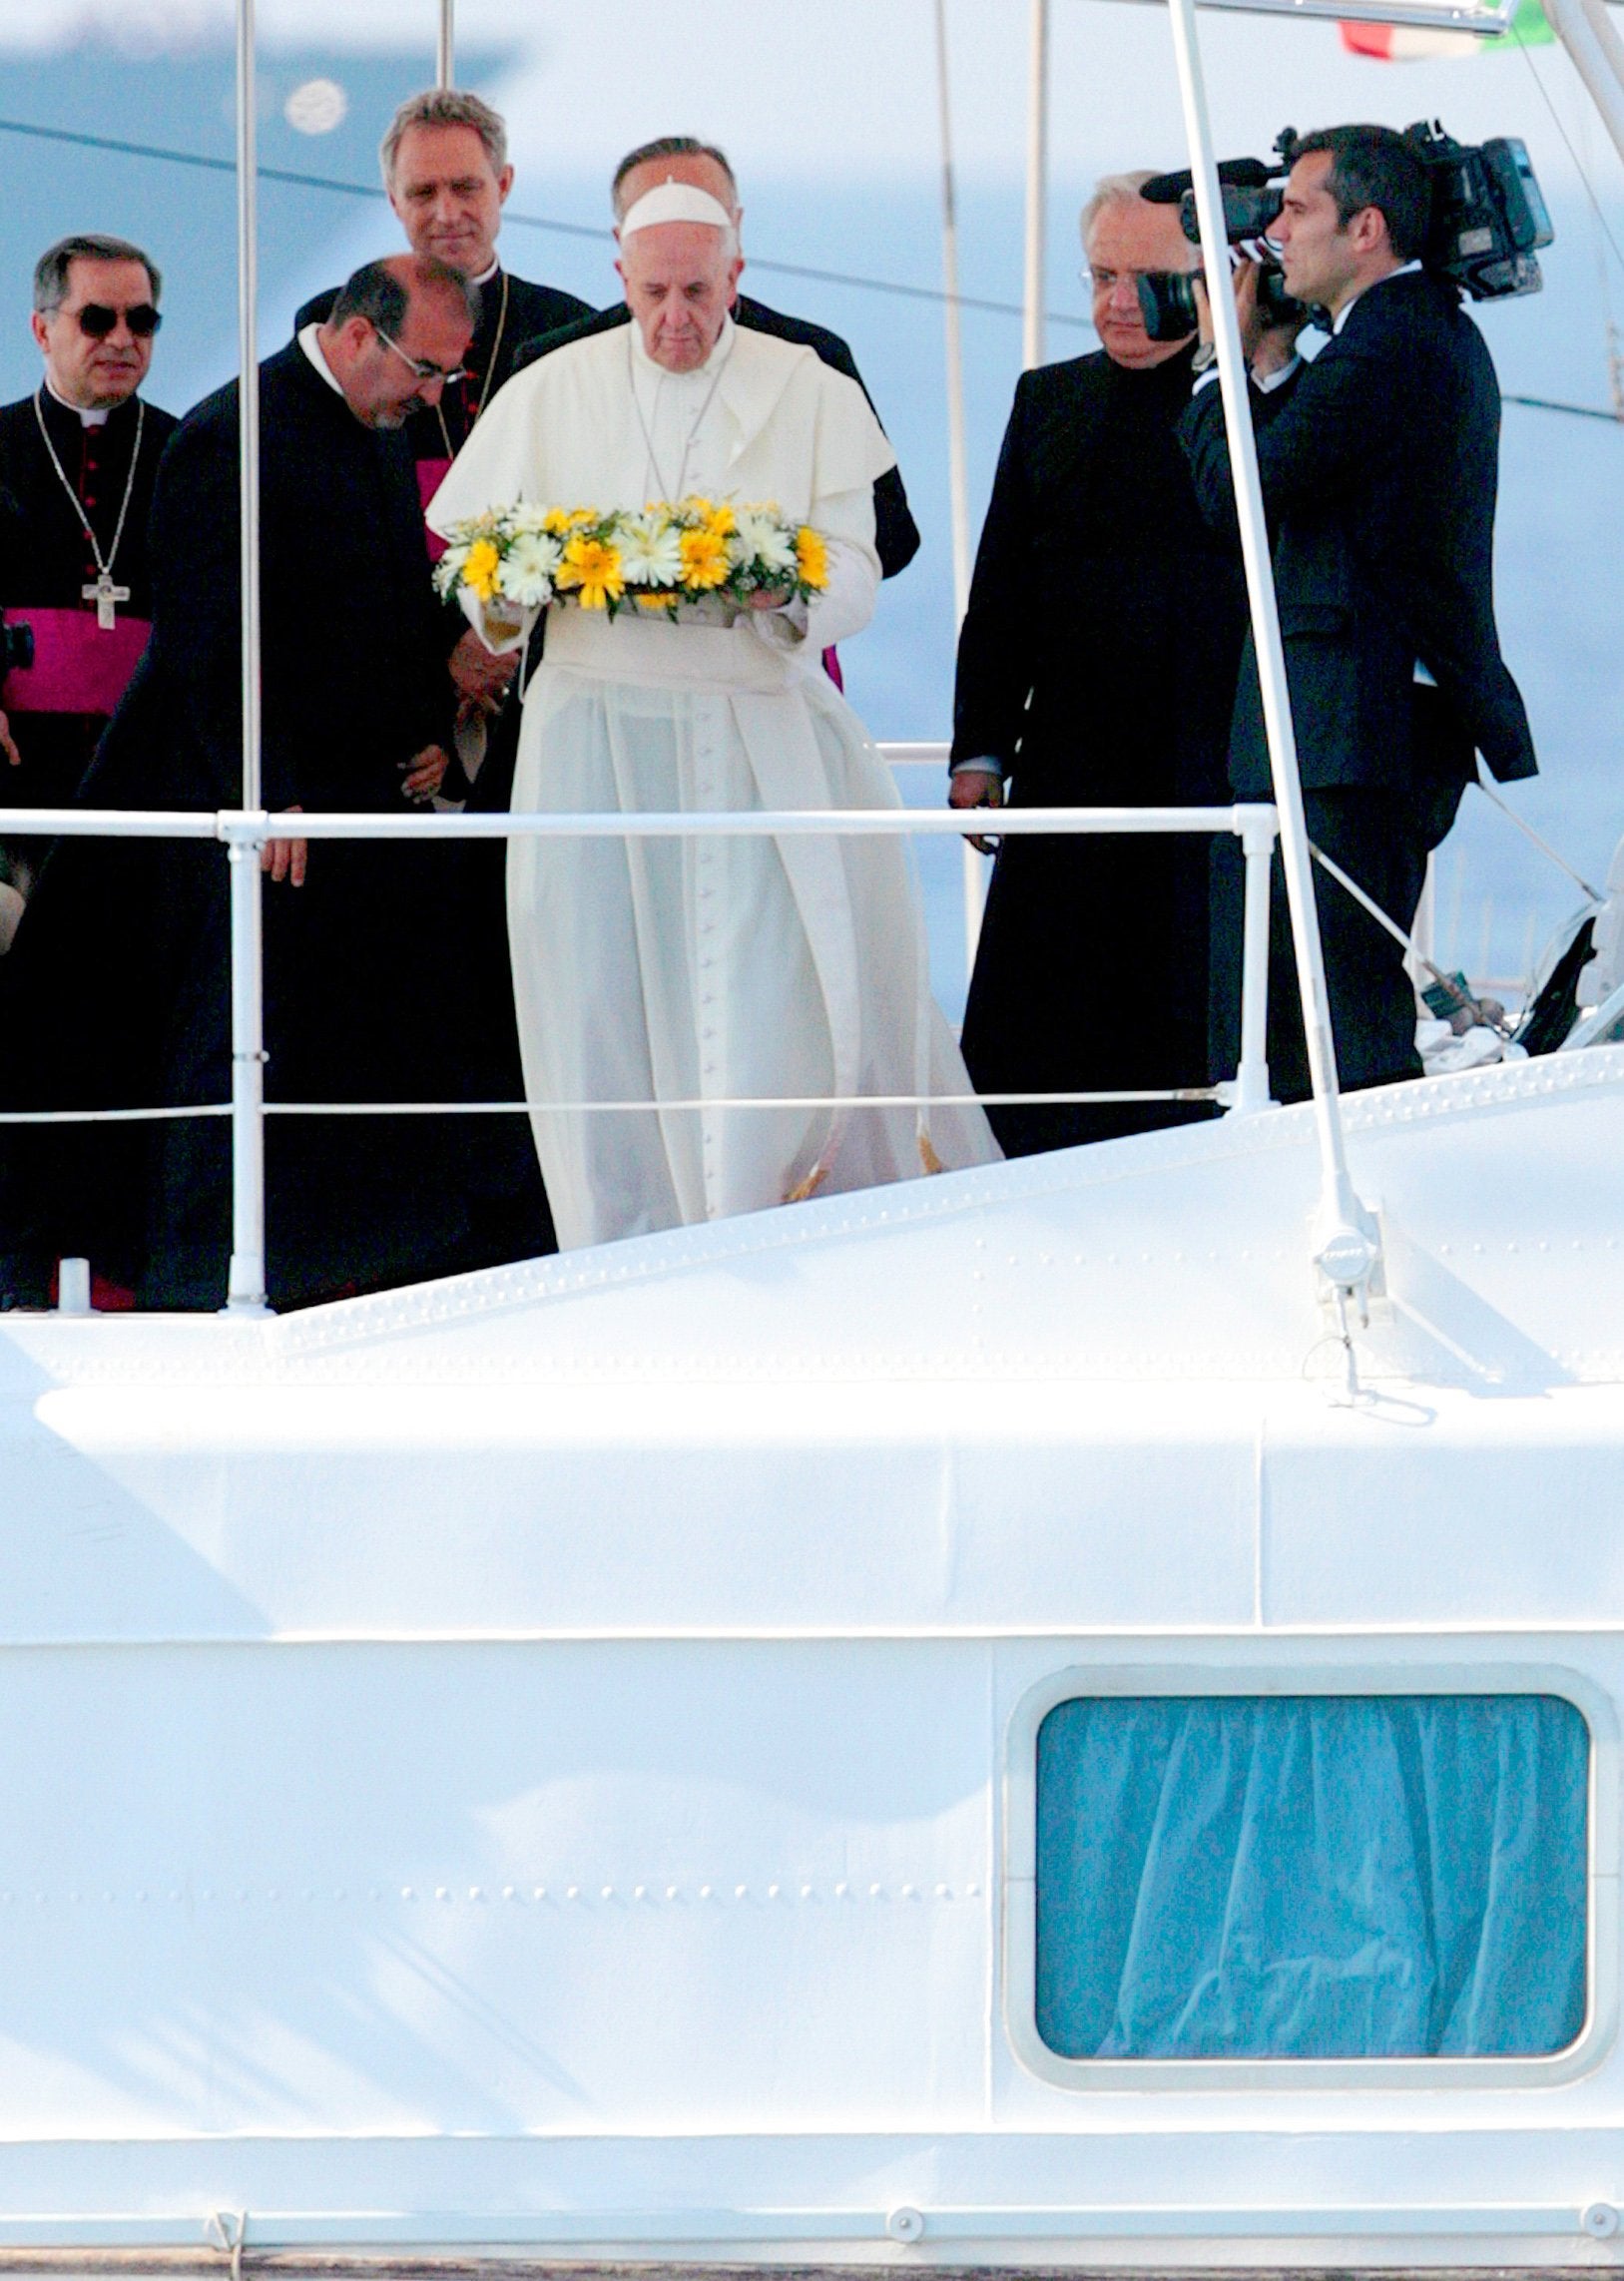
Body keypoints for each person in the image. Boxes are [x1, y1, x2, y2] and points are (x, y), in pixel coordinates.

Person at [427, 178, 998, 1251]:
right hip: (589, 736)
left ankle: (772, 1225)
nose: (676, 319)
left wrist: (790, 593)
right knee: (596, 999)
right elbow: (476, 571)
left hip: (757, 725)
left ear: (736, 276)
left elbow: (862, 570)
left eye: (698, 290)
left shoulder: (808, 387)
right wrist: (504, 595)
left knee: (770, 992)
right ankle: (622, 1239)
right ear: (620, 280)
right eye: (654, 294)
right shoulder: (550, 388)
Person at [0, 256, 528, 1311]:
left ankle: (377, 1266)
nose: (432, 397)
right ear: (355, 336)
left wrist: (432, 705)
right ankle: (209, 1278)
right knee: (230, 1050)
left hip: (344, 799)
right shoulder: (229, 436)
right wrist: (268, 793)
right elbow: (209, 641)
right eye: (424, 371)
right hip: (236, 813)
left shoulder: (373, 428)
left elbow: (377, 597)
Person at [1180, 124, 1537, 1099]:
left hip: (1348, 732)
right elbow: (1324, 480)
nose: (1274, 237)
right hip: (1357, 725)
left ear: (1366, 228)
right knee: (1301, 1014)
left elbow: (1239, 493)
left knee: (1328, 1019)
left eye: (1296, 211)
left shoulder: (1389, 340)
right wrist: (1274, 363)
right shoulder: (1408, 335)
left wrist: (1219, 360)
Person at [946, 176, 1267, 1157]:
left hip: (1203, 769)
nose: (1114, 300)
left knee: (1187, 1054)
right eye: (1100, 274)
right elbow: (1000, 595)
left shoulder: (1248, 406)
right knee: (1030, 1061)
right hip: (1071, 768)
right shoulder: (1048, 400)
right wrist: (979, 753)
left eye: (1146, 278)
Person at [296, 90, 594, 776]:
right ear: (393, 199)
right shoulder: (340, 323)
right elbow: (333, 521)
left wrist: (498, 639)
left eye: (466, 187)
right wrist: (447, 651)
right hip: (391, 672)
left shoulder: (569, 331)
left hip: (544, 666)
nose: (446, 213)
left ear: (504, 185)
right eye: (421, 191)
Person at [0, 234, 177, 891]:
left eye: (142, 320)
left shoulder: (189, 453)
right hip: (18, 767)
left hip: (149, 771)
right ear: (42, 330)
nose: (123, 339)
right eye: (98, 319)